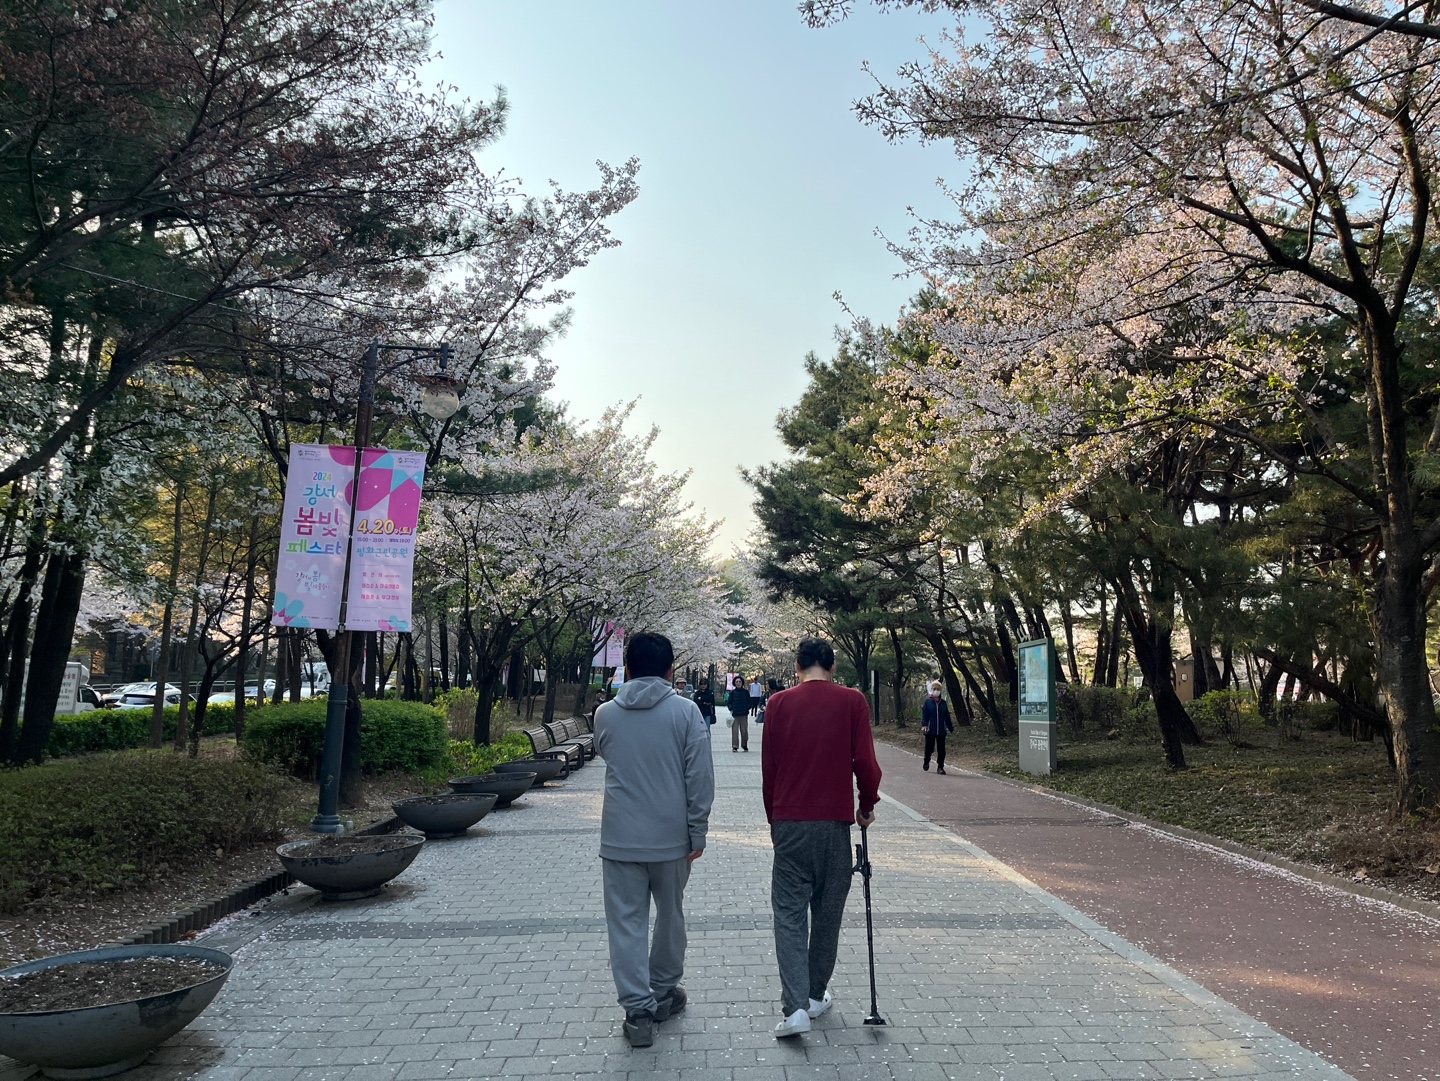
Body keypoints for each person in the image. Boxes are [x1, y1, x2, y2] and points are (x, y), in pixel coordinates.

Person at [593, 632, 715, 1049]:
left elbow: (608, 754)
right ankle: (663, 991)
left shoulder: (606, 714)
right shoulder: (686, 712)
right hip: (671, 837)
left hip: (620, 837)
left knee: (625, 923)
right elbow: (699, 777)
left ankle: (637, 1011)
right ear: (670, 670)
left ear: (626, 669)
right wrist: (697, 829)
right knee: (670, 915)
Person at [760, 636, 882, 1039]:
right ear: (832, 666)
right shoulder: (852, 701)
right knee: (828, 914)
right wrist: (866, 805)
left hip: (789, 823)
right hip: (834, 824)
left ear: (797, 666)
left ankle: (794, 1007)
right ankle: (814, 995)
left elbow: (770, 769)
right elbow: (866, 763)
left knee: (789, 915)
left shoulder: (778, 704)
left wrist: (774, 819)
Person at [921, 680, 955, 774]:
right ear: (932, 690)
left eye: (938, 689)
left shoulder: (943, 703)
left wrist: (951, 728)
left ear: (940, 690)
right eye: (934, 689)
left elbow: (947, 716)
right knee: (929, 748)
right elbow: (924, 715)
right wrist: (924, 725)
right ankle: (926, 761)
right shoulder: (927, 702)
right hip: (930, 730)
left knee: (941, 750)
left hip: (941, 730)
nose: (936, 690)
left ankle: (940, 767)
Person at [726, 674, 751, 752]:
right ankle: (735, 746)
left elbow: (750, 702)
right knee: (735, 731)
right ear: (734, 683)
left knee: (744, 731)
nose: (738, 683)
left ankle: (744, 745)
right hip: (735, 715)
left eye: (740, 681)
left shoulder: (746, 692)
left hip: (744, 714)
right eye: (737, 682)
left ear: (742, 683)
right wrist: (731, 708)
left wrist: (747, 708)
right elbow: (729, 702)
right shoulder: (732, 693)